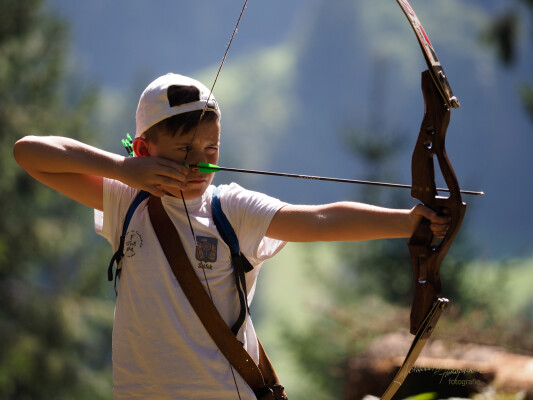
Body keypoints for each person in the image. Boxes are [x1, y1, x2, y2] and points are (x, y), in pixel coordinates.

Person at [13, 73, 449, 399]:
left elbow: (317, 219)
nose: (201, 165)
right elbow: (29, 152)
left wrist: (407, 222)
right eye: (184, 152)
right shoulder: (125, 199)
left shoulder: (230, 208)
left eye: (211, 150)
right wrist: (123, 169)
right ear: (145, 150)